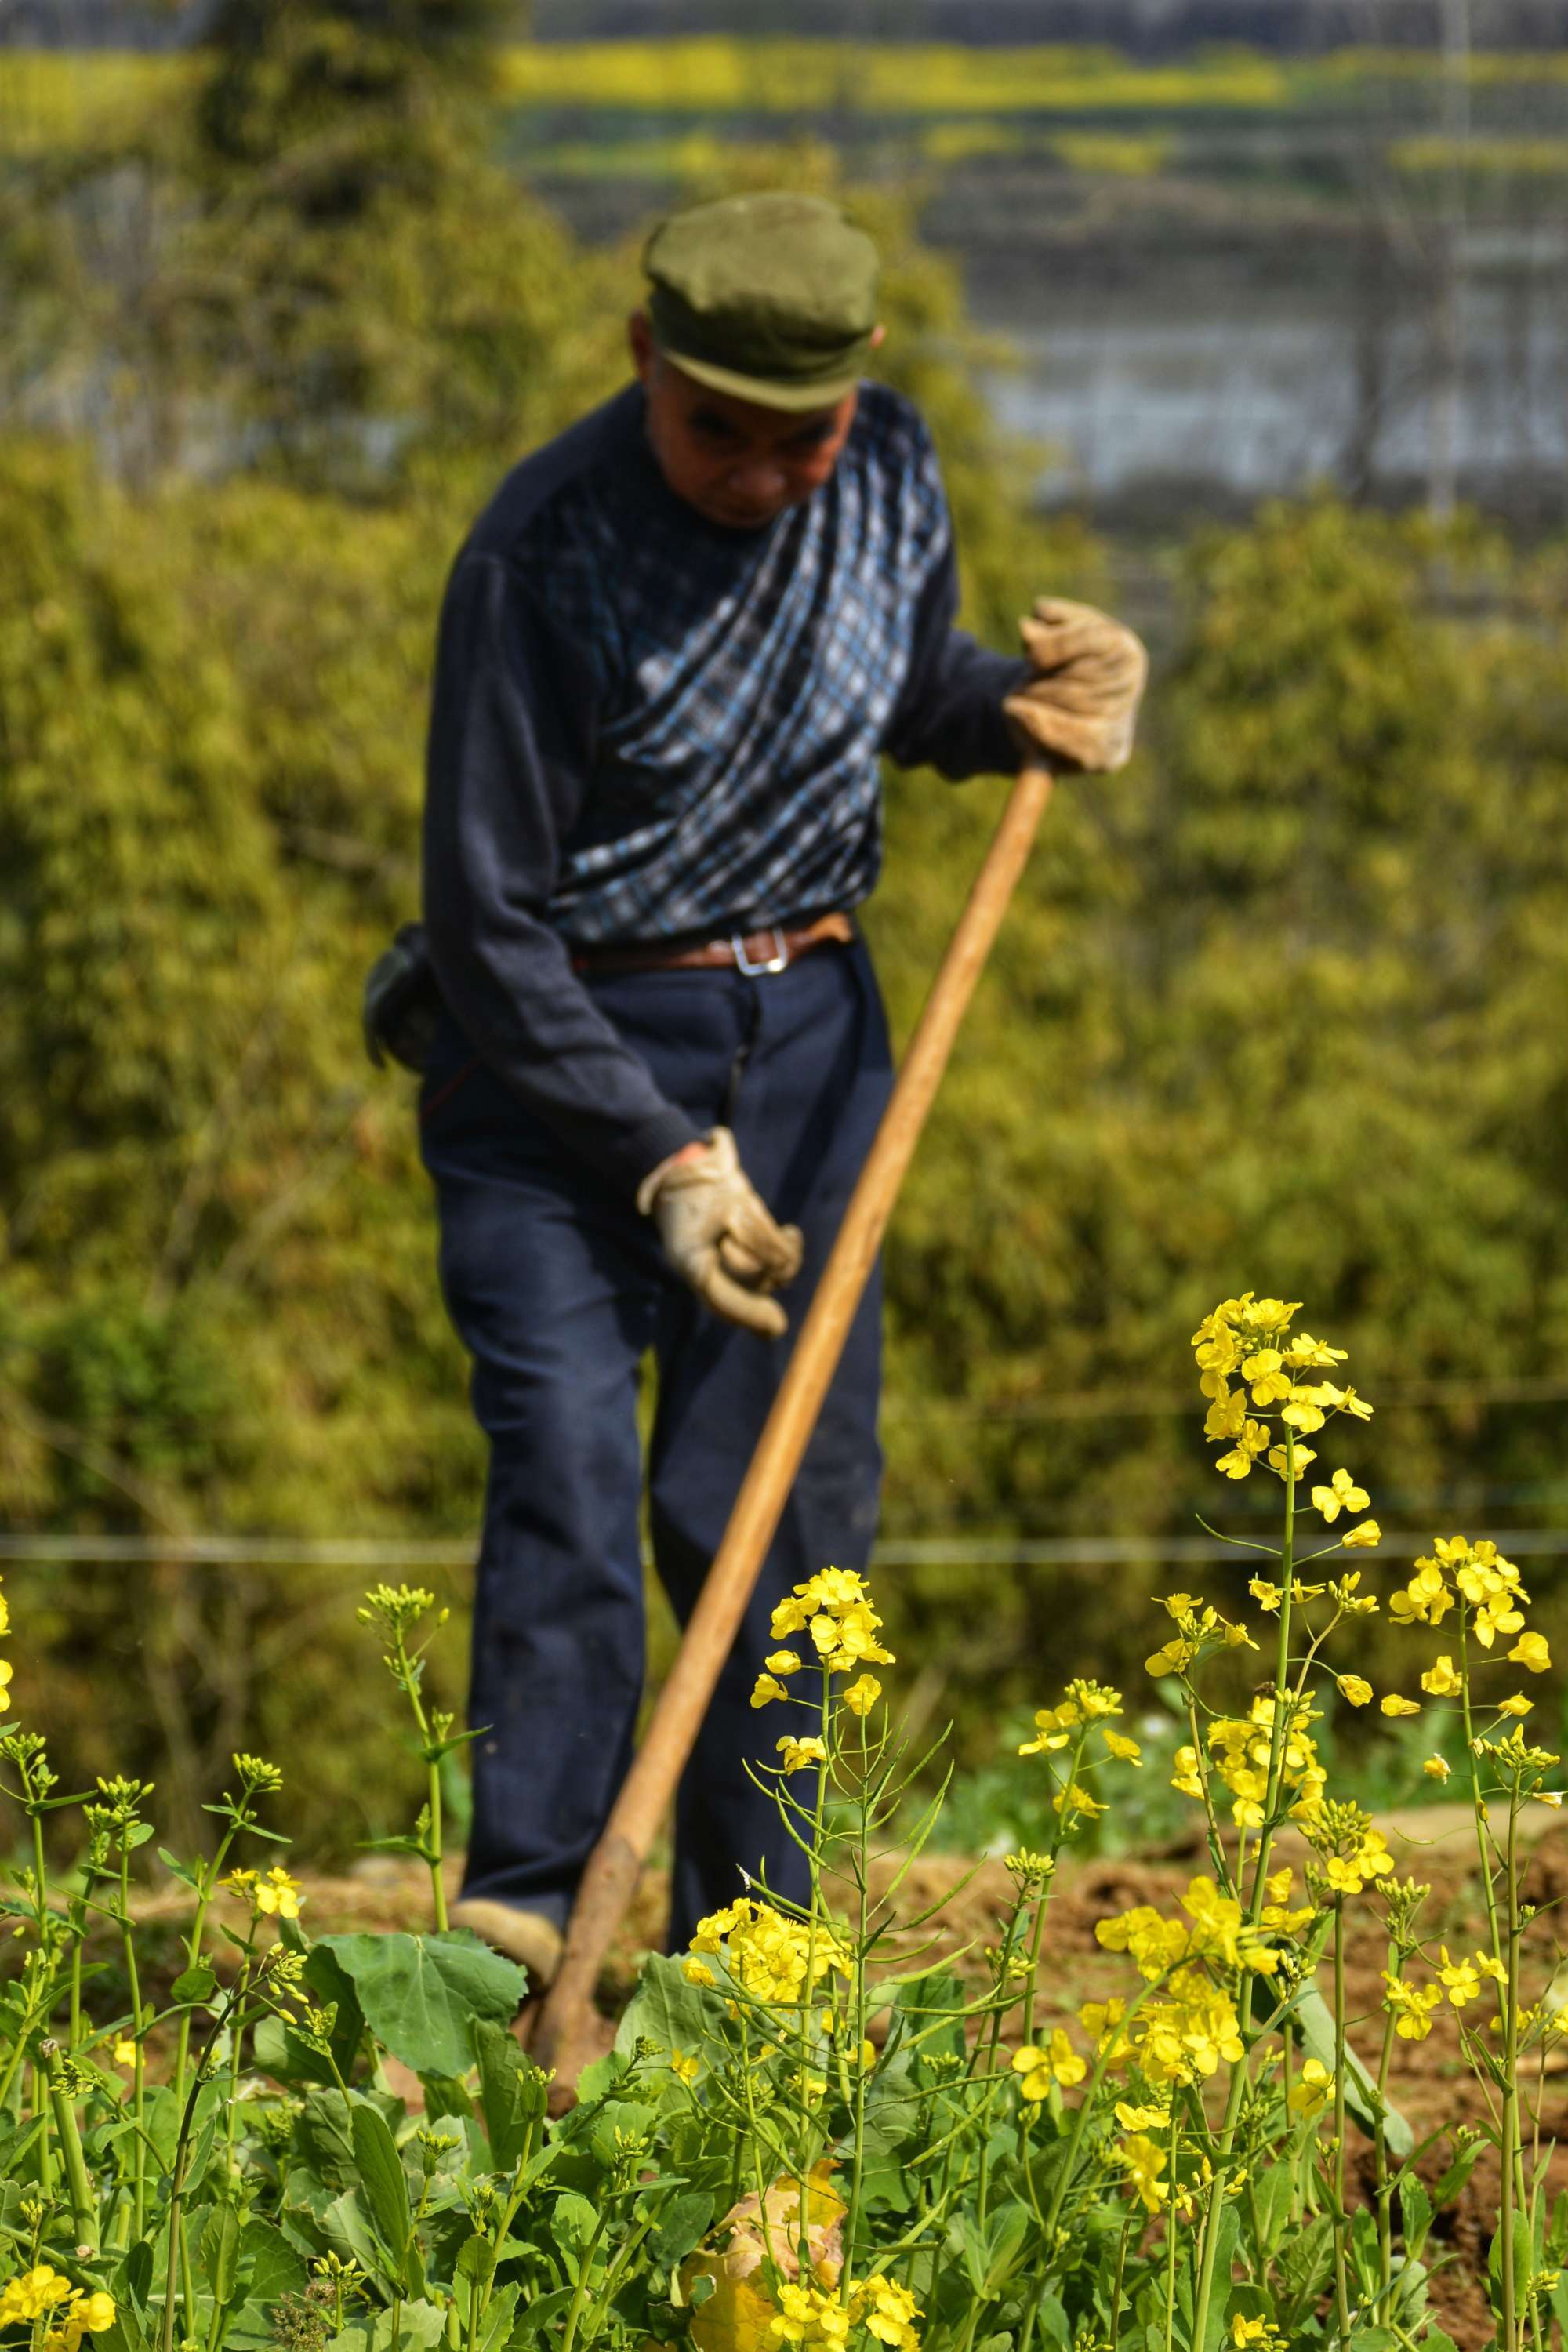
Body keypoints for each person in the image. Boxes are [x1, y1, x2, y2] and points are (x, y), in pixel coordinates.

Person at [415, 190, 1145, 1984]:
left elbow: (898, 695)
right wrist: (659, 1159)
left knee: (780, 1512)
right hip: (553, 1058)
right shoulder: (540, 552)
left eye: (794, 435)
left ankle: (756, 1961)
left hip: (810, 1037)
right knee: (576, 1475)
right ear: (640, 357)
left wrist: (1029, 708)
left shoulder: (890, 474)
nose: (755, 474)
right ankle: (530, 1940)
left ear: (861, 388)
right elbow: (482, 919)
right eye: (712, 431)